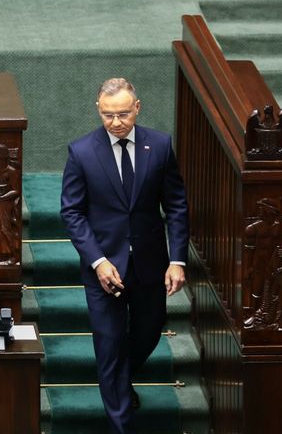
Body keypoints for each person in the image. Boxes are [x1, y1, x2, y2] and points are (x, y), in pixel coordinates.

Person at [59, 78, 189, 434]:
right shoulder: (82, 151)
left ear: (137, 108)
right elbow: (72, 212)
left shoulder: (159, 146)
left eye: (123, 114)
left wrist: (177, 259)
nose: (116, 122)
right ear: (99, 110)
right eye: (108, 114)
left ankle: (119, 378)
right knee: (110, 343)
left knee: (147, 332)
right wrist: (97, 260)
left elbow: (175, 205)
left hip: (150, 263)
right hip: (104, 266)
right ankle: (122, 424)